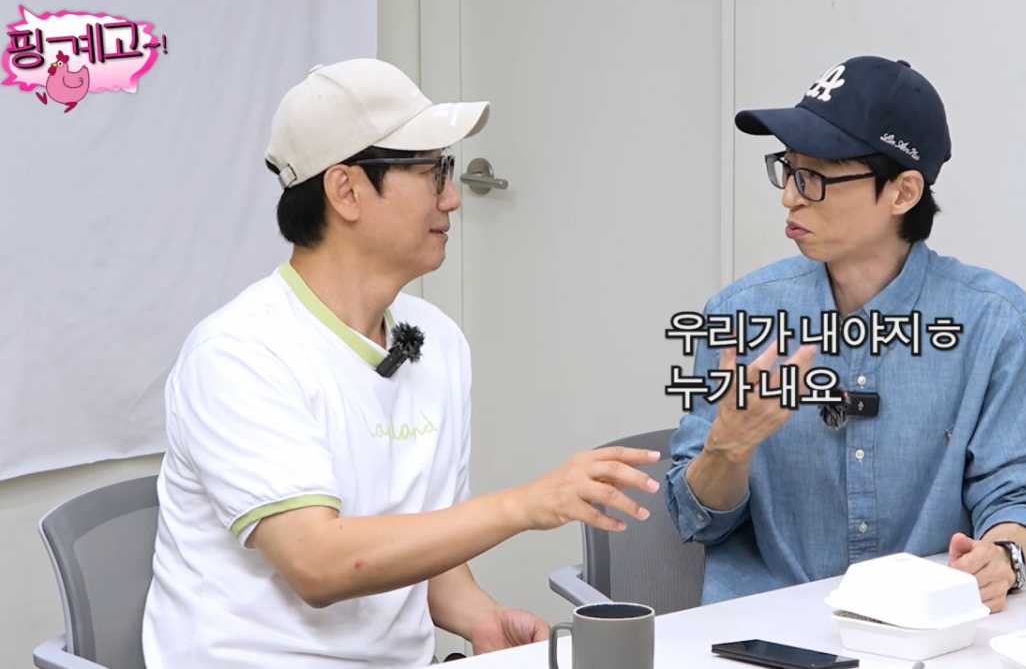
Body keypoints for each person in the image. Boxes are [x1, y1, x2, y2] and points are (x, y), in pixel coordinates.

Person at [141, 58, 661, 669]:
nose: (453, 198)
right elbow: (317, 562)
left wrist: (480, 617)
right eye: (432, 171)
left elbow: (425, 549)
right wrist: (525, 504)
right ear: (346, 190)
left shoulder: (438, 340)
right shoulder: (239, 353)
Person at [662, 55, 1026, 612]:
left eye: (814, 179)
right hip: (769, 630)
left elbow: (1020, 494)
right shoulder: (740, 316)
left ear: (902, 192)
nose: (789, 197)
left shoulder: (998, 324)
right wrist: (726, 449)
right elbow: (697, 520)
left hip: (929, 627)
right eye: (787, 169)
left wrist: (1002, 556)